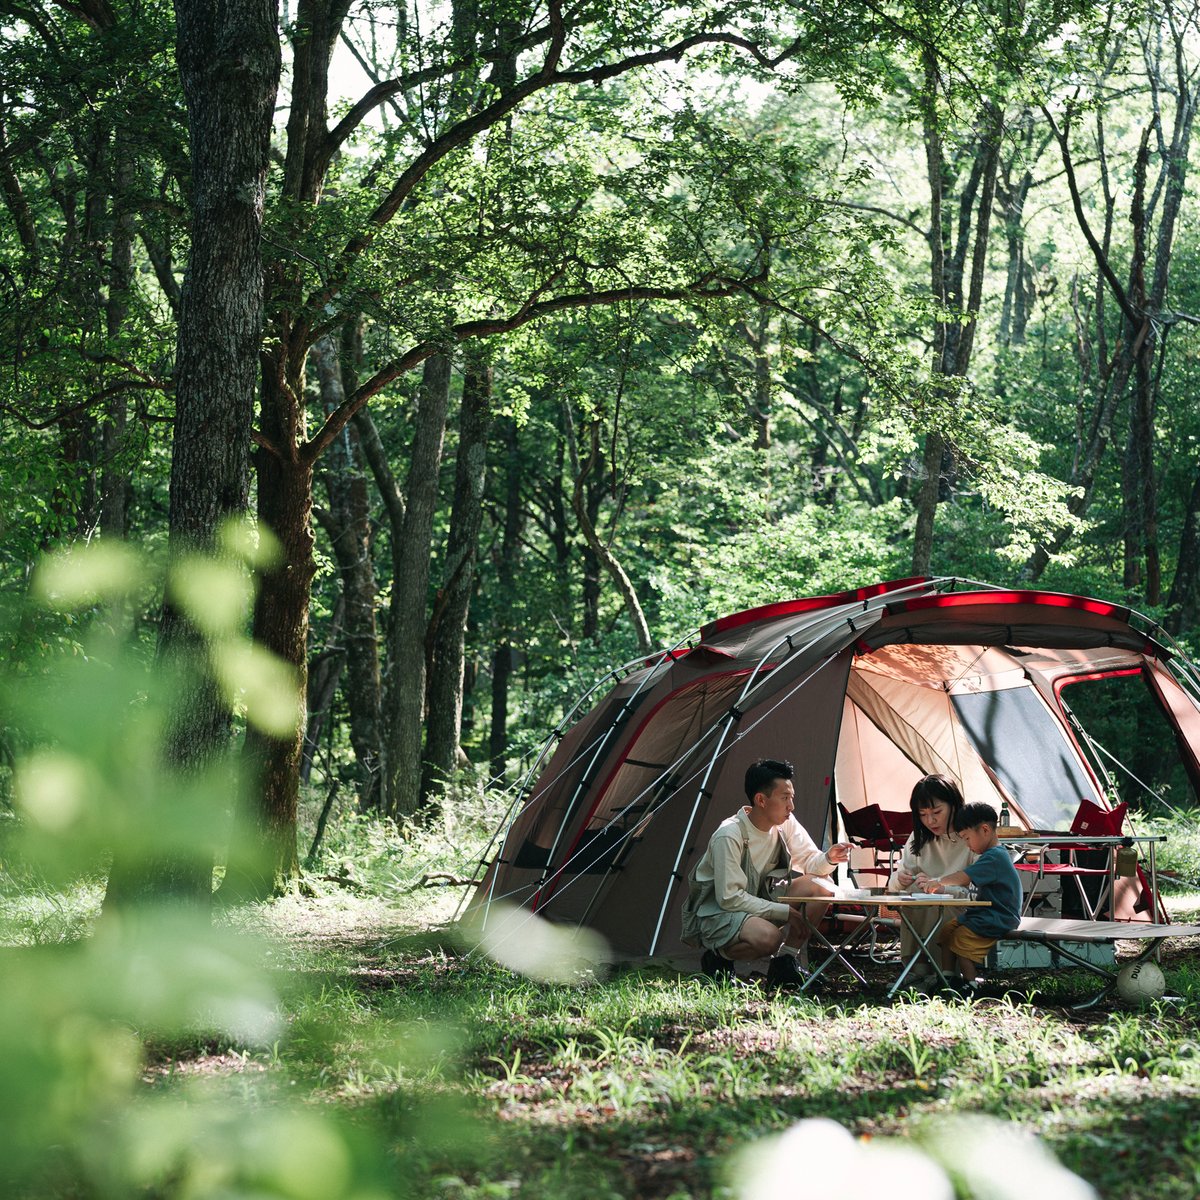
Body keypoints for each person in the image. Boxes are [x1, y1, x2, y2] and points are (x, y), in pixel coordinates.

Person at [682, 758, 852, 988]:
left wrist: (830, 857)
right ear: (761, 800)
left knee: (821, 885)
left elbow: (810, 861)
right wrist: (785, 912)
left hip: (757, 900)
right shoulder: (729, 834)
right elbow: (729, 897)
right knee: (770, 938)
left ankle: (785, 963)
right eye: (785, 798)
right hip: (720, 913)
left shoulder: (785, 823)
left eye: (791, 797)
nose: (791, 806)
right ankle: (718, 959)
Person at [919, 801, 1022, 992]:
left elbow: (964, 877)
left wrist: (939, 881)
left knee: (960, 939)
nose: (967, 845)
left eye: (967, 838)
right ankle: (949, 976)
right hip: (981, 913)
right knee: (947, 931)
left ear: (984, 830)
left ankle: (970, 984)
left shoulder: (995, 857)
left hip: (998, 915)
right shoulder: (988, 856)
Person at [886, 774, 976, 976]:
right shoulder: (918, 838)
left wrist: (942, 888)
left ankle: (941, 971)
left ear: (954, 805)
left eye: (937, 812)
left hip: (964, 904)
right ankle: (917, 968)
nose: (931, 820)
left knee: (939, 902)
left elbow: (980, 887)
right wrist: (899, 879)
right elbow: (894, 884)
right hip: (925, 906)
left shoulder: (971, 836)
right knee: (912, 894)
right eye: (923, 814)